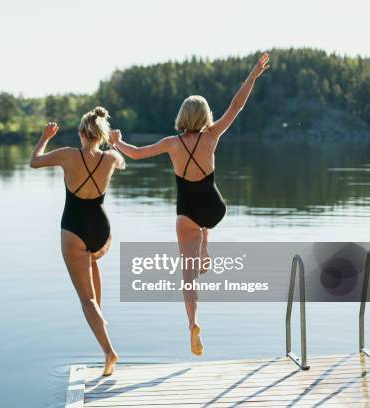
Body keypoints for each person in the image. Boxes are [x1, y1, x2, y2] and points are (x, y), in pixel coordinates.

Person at [110, 53, 270, 356]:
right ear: (205, 116)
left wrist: (117, 142)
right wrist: (253, 75)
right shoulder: (212, 135)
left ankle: (193, 322)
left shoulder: (172, 143)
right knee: (206, 224)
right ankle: (206, 242)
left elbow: (136, 153)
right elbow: (237, 105)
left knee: (188, 274)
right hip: (213, 207)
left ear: (184, 116)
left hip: (186, 214)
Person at [29, 107, 126, 376]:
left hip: (74, 230)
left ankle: (109, 352)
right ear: (101, 134)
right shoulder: (111, 158)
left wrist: (45, 137)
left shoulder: (68, 155)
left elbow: (34, 162)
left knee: (86, 300)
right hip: (101, 229)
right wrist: (114, 143)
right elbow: (123, 161)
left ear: (82, 133)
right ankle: (101, 318)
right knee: (92, 261)